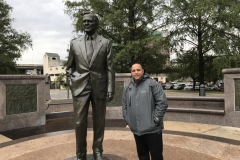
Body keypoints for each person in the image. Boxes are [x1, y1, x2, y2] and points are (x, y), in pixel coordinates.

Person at [66, 12, 115, 160]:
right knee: (79, 122)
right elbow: (69, 67)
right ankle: (80, 153)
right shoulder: (75, 43)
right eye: (84, 22)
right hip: (80, 87)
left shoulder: (106, 43)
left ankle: (97, 151)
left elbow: (110, 68)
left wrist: (110, 88)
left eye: (89, 21)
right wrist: (72, 82)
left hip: (99, 86)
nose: (86, 24)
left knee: (99, 121)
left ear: (96, 24)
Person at [122, 63, 168, 160]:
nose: (136, 72)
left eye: (138, 70)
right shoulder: (128, 87)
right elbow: (125, 105)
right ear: (131, 72)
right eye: (133, 70)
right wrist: (128, 119)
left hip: (153, 129)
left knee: (156, 156)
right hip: (137, 130)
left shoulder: (152, 84)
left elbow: (162, 102)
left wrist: (155, 119)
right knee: (142, 156)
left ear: (143, 71)